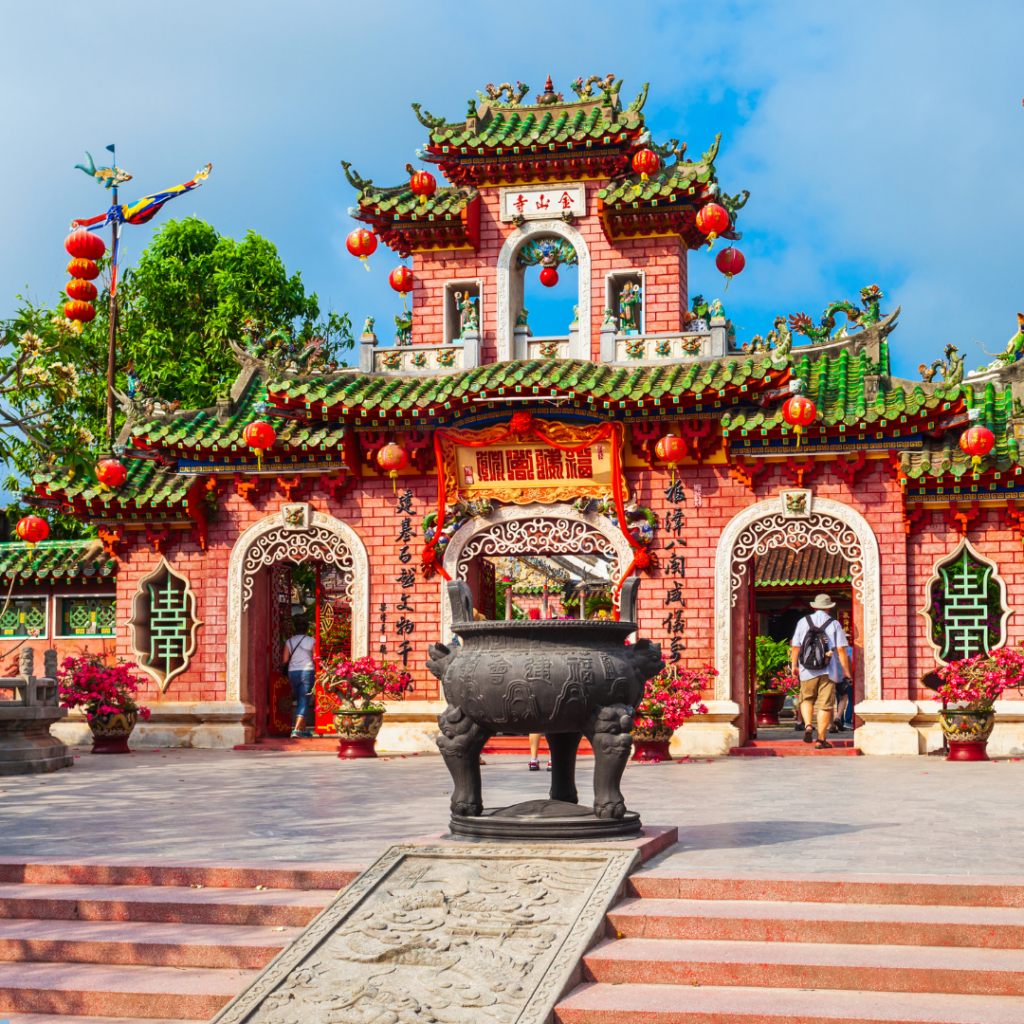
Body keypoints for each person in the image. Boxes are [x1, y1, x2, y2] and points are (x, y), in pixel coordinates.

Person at [790, 595, 853, 750]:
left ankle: (808, 726)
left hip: (806, 669)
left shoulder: (803, 622)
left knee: (807, 699)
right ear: (829, 607)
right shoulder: (834, 624)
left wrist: (794, 666)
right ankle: (820, 739)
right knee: (825, 705)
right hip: (828, 670)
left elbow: (796, 647)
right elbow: (841, 650)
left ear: (814, 607)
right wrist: (846, 671)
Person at [282, 615, 316, 738]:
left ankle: (304, 729)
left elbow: (285, 660)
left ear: (295, 629)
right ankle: (296, 730)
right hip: (307, 672)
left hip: (292, 673)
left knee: (300, 699)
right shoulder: (312, 640)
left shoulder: (289, 641)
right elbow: (316, 657)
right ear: (307, 629)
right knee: (304, 701)